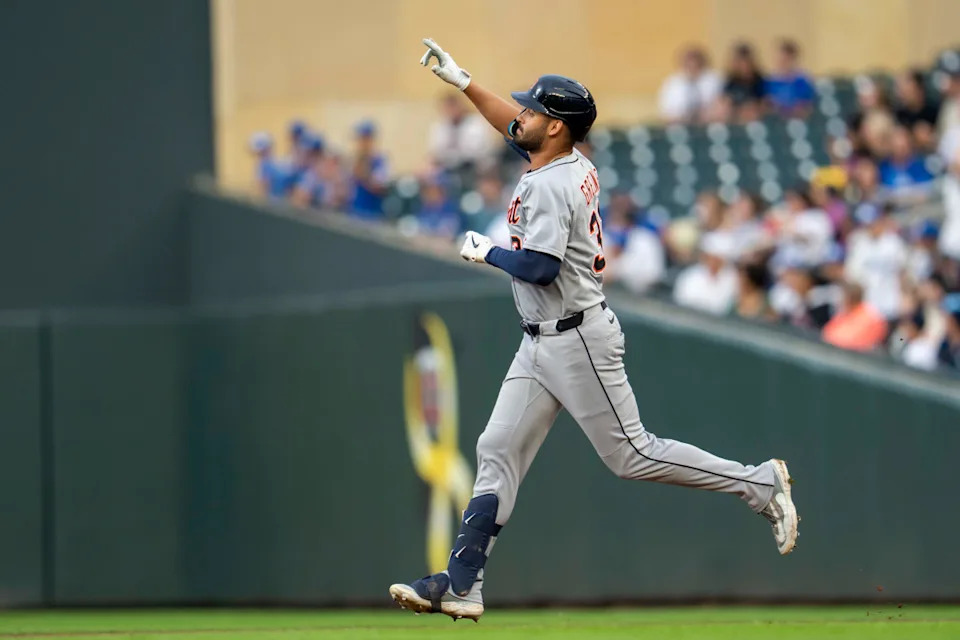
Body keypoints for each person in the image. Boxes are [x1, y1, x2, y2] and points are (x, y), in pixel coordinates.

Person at [389, 37, 799, 623]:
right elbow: (517, 128)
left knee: (632, 454)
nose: (522, 115)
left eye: (533, 109)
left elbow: (541, 265)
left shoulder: (554, 183)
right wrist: (465, 82)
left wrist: (488, 253)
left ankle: (757, 484)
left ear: (555, 128)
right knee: (495, 450)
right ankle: (462, 581)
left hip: (576, 335)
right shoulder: (561, 158)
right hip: (541, 337)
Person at [844, 203, 907, 320]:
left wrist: (904, 296)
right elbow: (851, 276)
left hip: (892, 303)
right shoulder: (859, 244)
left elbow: (903, 272)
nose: (870, 227)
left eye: (872, 223)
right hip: (868, 305)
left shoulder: (893, 242)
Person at [428, 93, 494, 171]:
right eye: (447, 108)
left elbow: (476, 151)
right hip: (447, 167)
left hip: (474, 166)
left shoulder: (476, 123)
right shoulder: (440, 127)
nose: (450, 111)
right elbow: (436, 151)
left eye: (452, 107)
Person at [657, 46, 723, 124]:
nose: (692, 67)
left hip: (709, 124)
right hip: (680, 125)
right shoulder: (672, 83)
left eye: (696, 64)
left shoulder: (714, 80)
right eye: (689, 64)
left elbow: (721, 106)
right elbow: (665, 112)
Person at [821, 281, 888, 351]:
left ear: (849, 298)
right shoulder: (843, 313)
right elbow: (826, 333)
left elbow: (851, 342)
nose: (839, 300)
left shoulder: (872, 318)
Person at [877, 125, 935, 205]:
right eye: (897, 147)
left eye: (903, 147)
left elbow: (927, 192)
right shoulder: (883, 169)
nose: (901, 151)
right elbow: (881, 195)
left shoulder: (922, 166)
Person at [348, 120, 390, 221]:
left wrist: (365, 172)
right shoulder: (356, 159)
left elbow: (380, 186)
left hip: (372, 215)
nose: (360, 143)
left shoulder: (380, 161)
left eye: (363, 139)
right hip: (354, 212)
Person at [764, 39, 815, 118]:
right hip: (777, 121)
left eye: (785, 60)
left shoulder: (802, 80)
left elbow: (806, 107)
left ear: (793, 60)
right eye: (780, 59)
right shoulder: (770, 81)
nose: (782, 63)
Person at [717, 42, 766, 123]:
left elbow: (762, 102)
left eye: (745, 62)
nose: (743, 66)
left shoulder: (758, 80)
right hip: (734, 116)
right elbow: (724, 99)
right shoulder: (731, 81)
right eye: (739, 62)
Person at [893, 69, 940, 152]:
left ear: (919, 89)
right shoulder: (898, 114)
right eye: (900, 89)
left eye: (907, 90)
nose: (901, 94)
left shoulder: (935, 110)